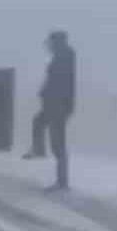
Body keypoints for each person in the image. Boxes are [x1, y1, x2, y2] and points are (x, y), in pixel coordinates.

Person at [22, 30, 76, 190]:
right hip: (54, 104)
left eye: (51, 43)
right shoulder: (62, 57)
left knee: (58, 143)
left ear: (57, 42)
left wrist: (47, 93)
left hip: (58, 105)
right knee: (39, 122)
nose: (49, 46)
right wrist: (44, 92)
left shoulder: (64, 57)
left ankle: (62, 182)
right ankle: (39, 150)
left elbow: (59, 82)